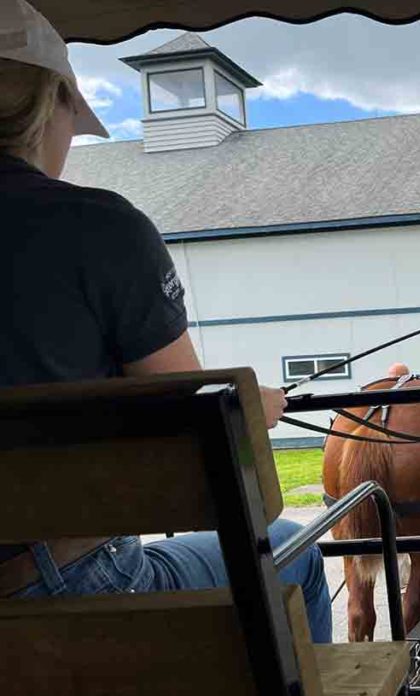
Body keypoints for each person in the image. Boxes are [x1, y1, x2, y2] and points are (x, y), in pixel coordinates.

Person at [0, 0, 331, 642]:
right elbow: (195, 421)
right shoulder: (96, 228)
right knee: (300, 552)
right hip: (64, 588)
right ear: (51, 105)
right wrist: (255, 403)